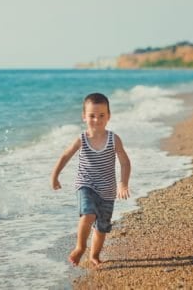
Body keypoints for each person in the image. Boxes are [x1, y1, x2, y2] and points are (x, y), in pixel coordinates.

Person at [51, 93, 131, 267]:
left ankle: (94, 255)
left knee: (102, 228)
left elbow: (125, 162)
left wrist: (123, 184)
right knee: (88, 214)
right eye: (92, 116)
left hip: (107, 191)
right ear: (84, 117)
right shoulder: (82, 139)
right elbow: (65, 156)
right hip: (86, 184)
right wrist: (55, 175)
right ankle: (80, 247)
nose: (97, 119)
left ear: (109, 116)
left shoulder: (113, 139)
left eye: (102, 115)